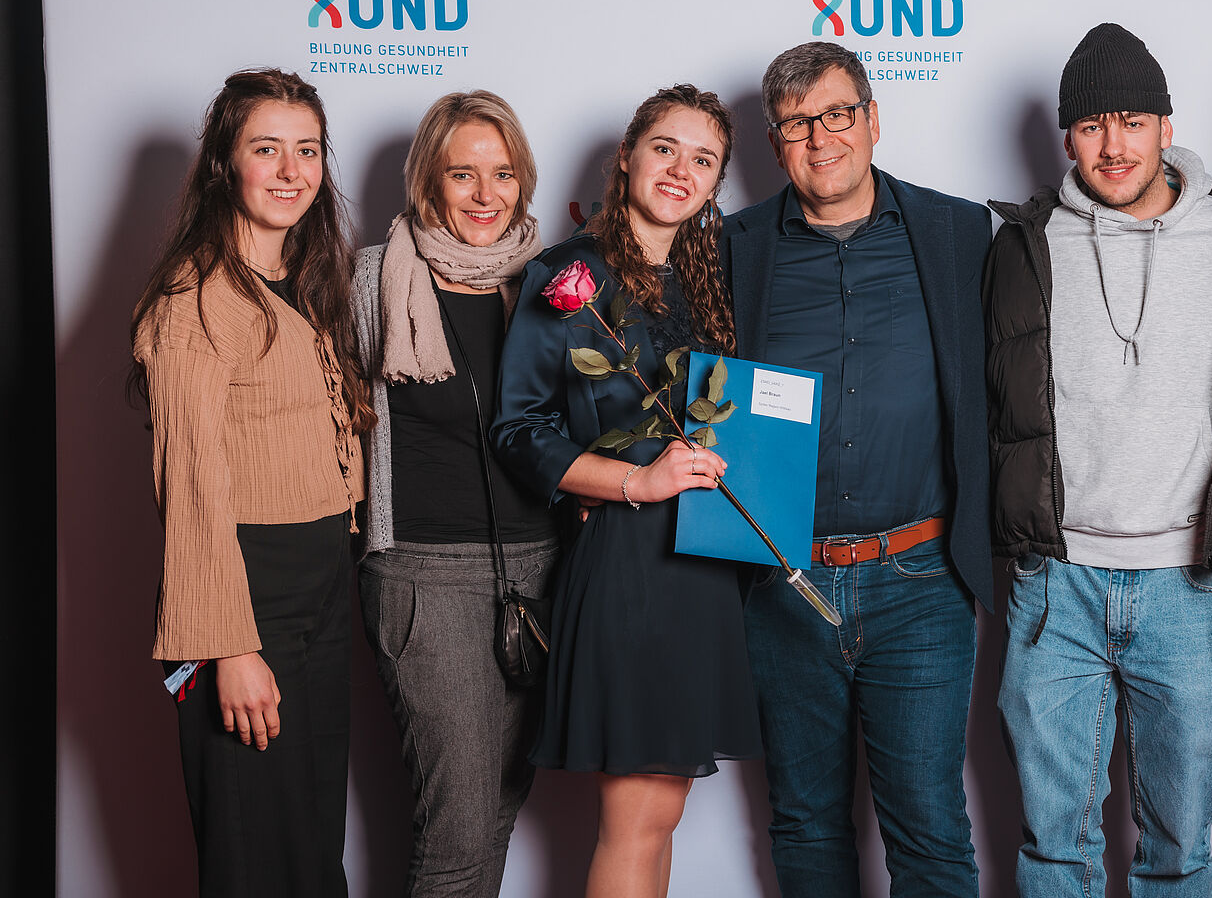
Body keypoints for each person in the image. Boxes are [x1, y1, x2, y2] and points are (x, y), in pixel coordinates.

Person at [983, 22, 1212, 896]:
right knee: (1054, 845)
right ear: (1066, 139)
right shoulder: (1023, 246)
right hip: (1057, 585)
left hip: (1191, 586)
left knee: (1179, 850)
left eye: (1131, 121)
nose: (1113, 145)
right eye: (1090, 126)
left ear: (1166, 125)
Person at [722, 41, 992, 898]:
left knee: (930, 829)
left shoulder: (958, 233)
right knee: (805, 823)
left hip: (921, 580)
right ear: (775, 144)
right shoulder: (733, 247)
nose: (821, 138)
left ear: (873, 120)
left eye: (837, 114)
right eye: (797, 123)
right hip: (783, 581)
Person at [491, 84, 760, 898]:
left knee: (659, 816)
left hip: (702, 567)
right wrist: (635, 480)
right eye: (665, 148)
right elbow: (519, 427)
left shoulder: (707, 281)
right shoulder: (569, 275)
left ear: (715, 184)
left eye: (703, 160)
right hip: (630, 565)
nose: (681, 170)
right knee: (636, 821)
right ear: (627, 155)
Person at [130, 68, 369, 897]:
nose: (291, 171)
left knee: (310, 843)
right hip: (246, 595)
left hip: (321, 587)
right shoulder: (192, 298)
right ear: (225, 164)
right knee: (255, 852)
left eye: (308, 150)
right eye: (267, 149)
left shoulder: (309, 281)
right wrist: (229, 646)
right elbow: (191, 487)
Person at [351, 90, 557, 897]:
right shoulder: (374, 278)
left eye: (502, 173)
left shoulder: (546, 283)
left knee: (500, 808)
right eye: (461, 173)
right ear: (426, 180)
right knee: (459, 827)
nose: (485, 194)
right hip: (425, 575)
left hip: (538, 571)